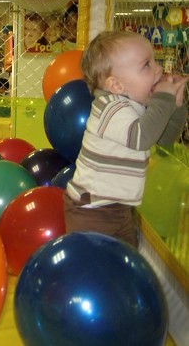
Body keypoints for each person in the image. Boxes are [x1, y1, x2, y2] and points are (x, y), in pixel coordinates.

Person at [64, 30, 188, 248]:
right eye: (147, 65)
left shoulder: (135, 106)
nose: (159, 69)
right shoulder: (110, 108)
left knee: (124, 262)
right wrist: (163, 97)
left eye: (155, 61)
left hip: (119, 208)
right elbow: (141, 138)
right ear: (116, 86)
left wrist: (176, 106)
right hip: (92, 210)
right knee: (96, 267)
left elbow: (164, 139)